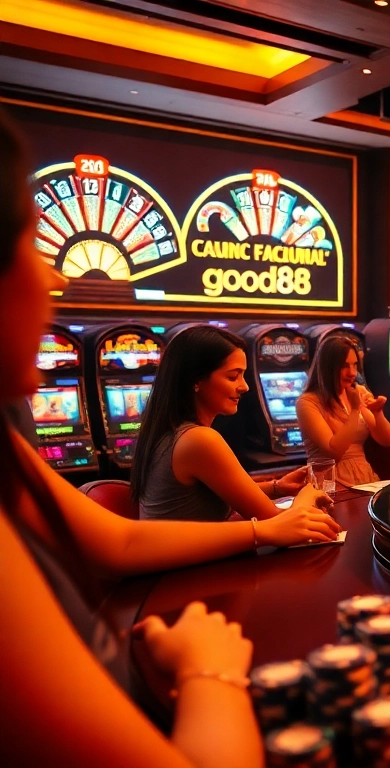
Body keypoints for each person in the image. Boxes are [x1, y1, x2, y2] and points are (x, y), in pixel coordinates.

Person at [0, 108, 339, 767]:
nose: (56, 277)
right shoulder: (197, 440)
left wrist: (263, 522)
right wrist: (210, 671)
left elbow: (119, 541)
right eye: (30, 243)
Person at [131, 326, 332, 523]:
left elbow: (213, 492)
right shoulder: (198, 439)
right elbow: (278, 523)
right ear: (196, 380)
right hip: (191, 557)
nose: (244, 386)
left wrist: (277, 487)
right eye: (232, 376)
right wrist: (310, 494)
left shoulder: (170, 431)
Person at [297, 336, 390, 487]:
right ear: (328, 368)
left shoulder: (358, 391)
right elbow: (333, 451)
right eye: (345, 366)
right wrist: (355, 410)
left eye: (355, 365)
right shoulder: (307, 403)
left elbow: (387, 440)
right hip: (329, 481)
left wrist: (378, 412)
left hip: (364, 475)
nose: (352, 373)